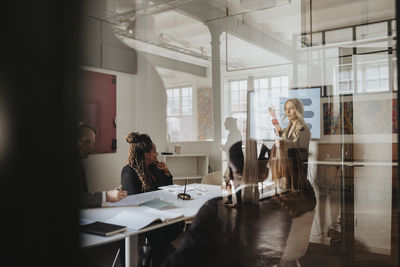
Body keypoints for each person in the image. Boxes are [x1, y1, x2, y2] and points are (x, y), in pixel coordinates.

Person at [161, 141, 316, 267]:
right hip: (293, 248)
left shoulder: (274, 199)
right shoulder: (306, 190)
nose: (267, 163)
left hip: (264, 252)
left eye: (270, 157)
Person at [121, 131, 184, 267]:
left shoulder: (154, 168)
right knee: (158, 234)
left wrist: (166, 173)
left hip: (159, 210)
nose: (156, 154)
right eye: (154, 152)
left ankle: (154, 252)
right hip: (141, 216)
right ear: (146, 155)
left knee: (179, 222)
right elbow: (134, 198)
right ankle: (163, 255)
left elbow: (167, 189)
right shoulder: (129, 171)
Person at [78, 123, 127, 208]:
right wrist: (106, 196)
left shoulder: (79, 164)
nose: (92, 147)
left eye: (93, 143)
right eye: (87, 142)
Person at [268, 98, 311, 189]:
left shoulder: (303, 128)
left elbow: (302, 153)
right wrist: (273, 115)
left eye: (291, 108)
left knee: (296, 197)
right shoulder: (288, 129)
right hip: (286, 169)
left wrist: (287, 144)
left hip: (297, 170)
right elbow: (278, 130)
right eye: (286, 109)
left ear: (298, 110)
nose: (287, 111)